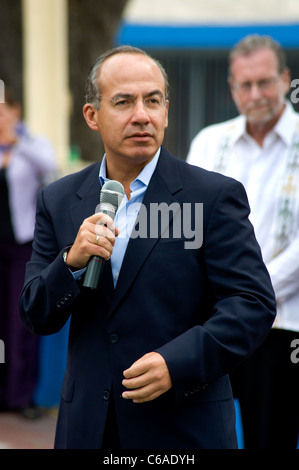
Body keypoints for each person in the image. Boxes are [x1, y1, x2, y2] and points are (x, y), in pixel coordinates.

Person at [20, 45, 276, 449]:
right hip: (87, 427)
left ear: (166, 110)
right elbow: (37, 314)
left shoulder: (211, 197)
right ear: (92, 115)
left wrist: (177, 363)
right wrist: (70, 262)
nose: (142, 114)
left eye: (152, 100)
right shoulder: (60, 198)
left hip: (182, 427)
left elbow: (251, 304)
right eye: (123, 102)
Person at [187, 34, 299, 449]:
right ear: (232, 88)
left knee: (270, 435)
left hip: (281, 326)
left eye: (265, 82)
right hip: (212, 321)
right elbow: (189, 225)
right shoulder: (209, 142)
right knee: (203, 432)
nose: (256, 94)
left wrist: (248, 295)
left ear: (286, 79)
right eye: (245, 85)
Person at [0, 87, 57, 417]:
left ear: (16, 110)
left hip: (23, 245)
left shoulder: (31, 144)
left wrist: (16, 139)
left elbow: (49, 166)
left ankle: (21, 396)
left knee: (20, 320)